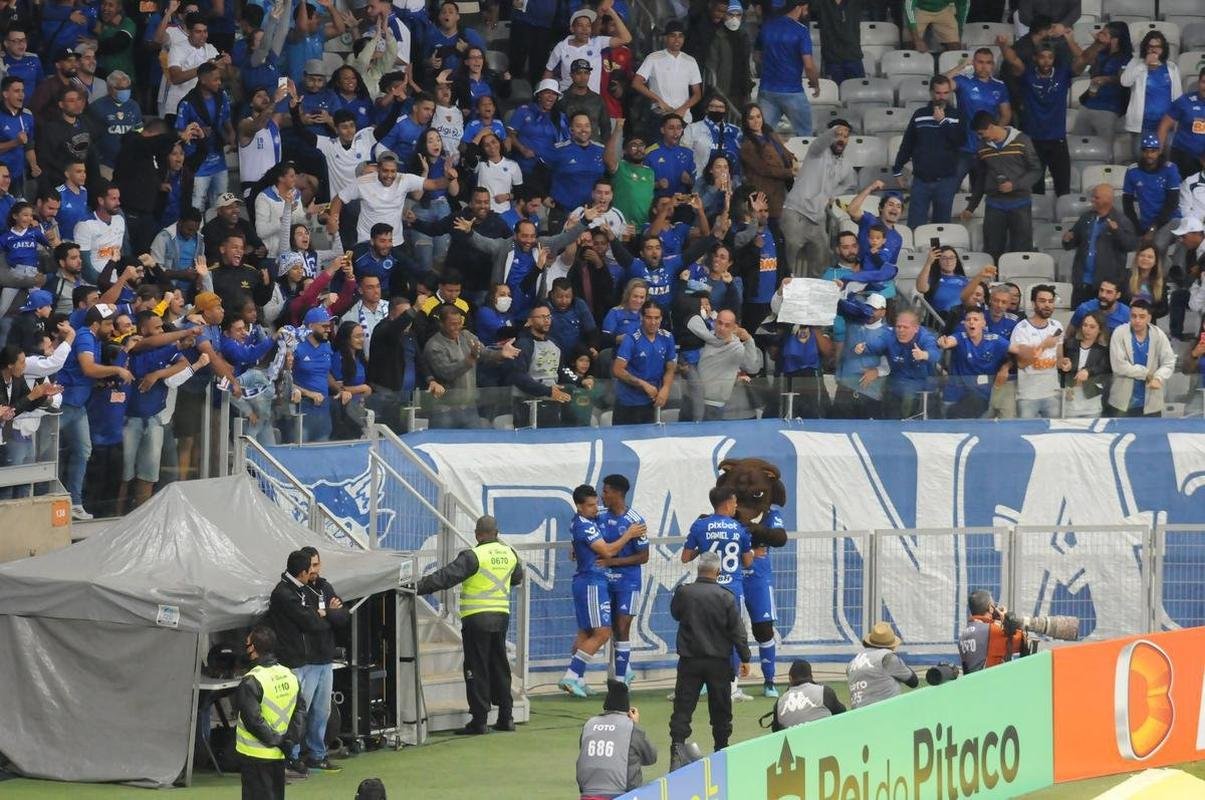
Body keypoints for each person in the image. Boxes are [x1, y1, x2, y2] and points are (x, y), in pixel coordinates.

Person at [415, 515, 523, 734]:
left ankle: (480, 720)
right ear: (497, 533)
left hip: (476, 618)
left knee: (476, 667)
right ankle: (506, 717)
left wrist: (416, 587)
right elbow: (517, 578)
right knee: (499, 666)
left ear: (477, 534)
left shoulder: (473, 555)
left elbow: (445, 577)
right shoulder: (510, 554)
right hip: (501, 616)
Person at [558, 484, 647, 698]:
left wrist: (577, 548)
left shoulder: (592, 520)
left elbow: (643, 556)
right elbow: (606, 550)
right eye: (590, 504)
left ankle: (580, 679)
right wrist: (627, 535)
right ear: (579, 506)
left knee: (590, 632)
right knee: (604, 632)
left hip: (605, 581)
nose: (596, 506)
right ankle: (572, 675)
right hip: (592, 582)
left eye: (598, 500)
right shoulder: (585, 523)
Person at [667, 550, 751, 771]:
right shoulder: (726, 596)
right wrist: (745, 657)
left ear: (698, 569)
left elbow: (676, 614)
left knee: (683, 709)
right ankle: (721, 752)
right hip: (719, 662)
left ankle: (676, 751)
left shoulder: (684, 593)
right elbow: (737, 631)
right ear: (718, 571)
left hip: (689, 661)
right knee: (721, 710)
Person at [236, 625, 306, 800]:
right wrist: (288, 741)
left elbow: (253, 721)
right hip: (279, 754)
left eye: (247, 643)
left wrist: (275, 740)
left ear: (253, 649)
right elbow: (300, 711)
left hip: (255, 755)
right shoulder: (289, 675)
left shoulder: (252, 680)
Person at [960, 112, 1041, 262]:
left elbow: (1036, 170)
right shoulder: (982, 148)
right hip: (994, 205)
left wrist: (1015, 185)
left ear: (991, 127)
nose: (979, 137)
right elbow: (980, 179)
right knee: (992, 249)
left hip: (1020, 204)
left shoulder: (1022, 140)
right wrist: (971, 207)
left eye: (981, 133)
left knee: (1021, 249)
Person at [780, 119, 856, 277]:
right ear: (829, 135)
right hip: (795, 212)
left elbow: (849, 183)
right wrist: (833, 132)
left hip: (818, 218)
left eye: (845, 136)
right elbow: (821, 142)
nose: (841, 138)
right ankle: (782, 289)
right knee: (788, 256)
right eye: (838, 134)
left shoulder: (846, 164)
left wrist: (831, 194)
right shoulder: (816, 151)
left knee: (823, 260)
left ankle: (817, 295)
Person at [295, 547, 346, 772]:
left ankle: (317, 754)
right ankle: (294, 756)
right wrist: (325, 615)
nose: (315, 570)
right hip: (305, 662)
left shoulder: (325, 587)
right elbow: (307, 622)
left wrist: (327, 614)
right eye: (311, 566)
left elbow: (343, 616)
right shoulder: (296, 591)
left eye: (317, 565)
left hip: (325, 661)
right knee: (300, 712)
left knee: (322, 711)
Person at [597, 474, 648, 687]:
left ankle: (620, 682)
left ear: (618, 493)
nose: (602, 495)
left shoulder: (635, 521)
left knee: (622, 626)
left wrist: (612, 562)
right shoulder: (597, 516)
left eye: (606, 491)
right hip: (603, 581)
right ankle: (622, 670)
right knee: (601, 628)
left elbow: (643, 557)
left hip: (628, 582)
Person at [893, 76, 963, 228]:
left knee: (942, 227)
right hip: (921, 180)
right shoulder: (919, 114)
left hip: (946, 180)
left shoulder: (957, 115)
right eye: (938, 93)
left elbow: (959, 142)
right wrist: (897, 171)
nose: (941, 97)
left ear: (950, 93)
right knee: (915, 226)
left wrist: (943, 122)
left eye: (945, 93)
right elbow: (907, 144)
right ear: (931, 93)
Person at [576, 679, 657, 799]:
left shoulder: (589, 724)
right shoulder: (631, 728)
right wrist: (635, 724)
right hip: (621, 795)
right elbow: (651, 758)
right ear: (627, 709)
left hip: (587, 794)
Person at [852, 310, 939, 419]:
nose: (900, 330)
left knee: (909, 399)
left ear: (916, 328)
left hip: (920, 382)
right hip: (896, 381)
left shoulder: (925, 337)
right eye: (898, 327)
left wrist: (924, 355)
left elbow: (936, 354)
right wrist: (861, 348)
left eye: (905, 327)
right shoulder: (890, 335)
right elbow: (875, 346)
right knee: (890, 410)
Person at [1062, 184, 1139, 308]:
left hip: (1105, 286)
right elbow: (1072, 240)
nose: (1092, 200)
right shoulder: (1086, 217)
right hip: (1082, 283)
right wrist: (1067, 239)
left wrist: (1117, 231)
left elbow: (1130, 245)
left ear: (1107, 199)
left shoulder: (1121, 220)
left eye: (1096, 197)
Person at [754, 0, 820, 136]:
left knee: (761, 136)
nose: (807, 12)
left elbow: (757, 57)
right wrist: (815, 83)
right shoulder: (801, 30)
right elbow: (808, 65)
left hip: (767, 91)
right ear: (799, 7)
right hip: (792, 91)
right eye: (806, 8)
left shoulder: (767, 26)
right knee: (805, 137)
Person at [936, 308, 1011, 418]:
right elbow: (950, 341)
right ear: (964, 324)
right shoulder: (960, 336)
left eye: (975, 319)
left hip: (979, 397)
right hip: (953, 395)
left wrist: (1006, 367)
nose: (971, 322)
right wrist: (944, 343)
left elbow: (1017, 351)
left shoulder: (995, 340)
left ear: (983, 323)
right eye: (968, 319)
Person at [1107, 298, 1176, 417]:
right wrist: (1146, 374)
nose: (1137, 320)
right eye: (1133, 316)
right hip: (1122, 404)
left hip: (1151, 404)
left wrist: (1158, 378)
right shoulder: (1119, 333)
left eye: (1142, 316)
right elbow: (1119, 366)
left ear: (1149, 318)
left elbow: (1169, 361)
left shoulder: (1158, 334)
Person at [611, 300, 676, 424]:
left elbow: (671, 365)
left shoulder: (667, 337)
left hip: (652, 400)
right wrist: (644, 385)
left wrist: (666, 388)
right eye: (649, 318)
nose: (653, 322)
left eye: (657, 318)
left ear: (661, 318)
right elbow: (617, 369)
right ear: (641, 317)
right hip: (628, 402)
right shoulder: (631, 338)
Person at [1009, 284, 1065, 419]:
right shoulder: (1021, 329)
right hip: (1028, 396)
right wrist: (1044, 346)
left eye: (1050, 301)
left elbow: (1059, 357)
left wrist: (1064, 363)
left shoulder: (1057, 326)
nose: (1047, 305)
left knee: (1051, 436)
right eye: (1042, 301)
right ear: (1033, 303)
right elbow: (1021, 364)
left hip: (1052, 393)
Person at [633, 21, 702, 124]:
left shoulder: (690, 61)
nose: (677, 40)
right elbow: (636, 83)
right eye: (673, 36)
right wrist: (658, 100)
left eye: (680, 36)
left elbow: (697, 94)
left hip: (684, 117)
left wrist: (682, 109)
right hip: (660, 114)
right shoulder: (654, 58)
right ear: (665, 38)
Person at [1122, 135, 1182, 253]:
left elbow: (1172, 203)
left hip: (1171, 220)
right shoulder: (1132, 171)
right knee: (1140, 249)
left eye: (1153, 151)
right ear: (1141, 151)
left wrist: (1154, 228)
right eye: (1146, 151)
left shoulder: (1170, 169)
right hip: (1146, 222)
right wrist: (1136, 227)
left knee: (1156, 247)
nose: (1149, 155)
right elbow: (1127, 203)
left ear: (1159, 151)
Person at [1120, 32, 1181, 145]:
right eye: (1150, 46)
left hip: (1165, 123)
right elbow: (1125, 82)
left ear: (1163, 49)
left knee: (1165, 159)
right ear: (1145, 47)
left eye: (1157, 47)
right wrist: (1144, 65)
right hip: (1141, 124)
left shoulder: (1171, 67)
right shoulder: (1135, 63)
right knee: (1141, 158)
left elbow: (1178, 96)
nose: (1154, 50)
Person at [1072, 24, 1132, 140]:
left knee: (1104, 147)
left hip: (1108, 108)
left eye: (1104, 34)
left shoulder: (1126, 58)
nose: (1100, 35)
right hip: (1087, 104)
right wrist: (1096, 44)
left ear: (1115, 39)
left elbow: (1123, 79)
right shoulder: (1100, 54)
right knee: (1078, 142)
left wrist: (1106, 79)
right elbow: (1083, 58)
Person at [846, 621, 917, 709]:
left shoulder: (852, 663)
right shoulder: (887, 658)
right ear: (891, 644)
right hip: (884, 713)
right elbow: (913, 681)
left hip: (857, 714)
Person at [958, 590, 1027, 674]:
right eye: (995, 605)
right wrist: (1005, 620)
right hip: (990, 682)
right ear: (991, 608)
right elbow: (1022, 642)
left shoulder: (963, 635)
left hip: (973, 683)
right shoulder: (992, 631)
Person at [1058, 311, 1111, 418]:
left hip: (1092, 403)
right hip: (1070, 402)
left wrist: (1088, 371)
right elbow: (1061, 371)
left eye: (1092, 327)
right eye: (1085, 325)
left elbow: (1105, 369)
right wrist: (1064, 387)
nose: (1087, 329)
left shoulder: (1104, 351)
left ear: (1099, 329)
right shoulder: (1070, 345)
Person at [769, 660, 846, 731]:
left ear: (790, 678)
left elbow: (776, 732)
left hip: (795, 744)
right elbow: (843, 714)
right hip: (823, 741)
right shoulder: (824, 692)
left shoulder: (779, 703)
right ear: (811, 676)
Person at [1158, 67, 1205, 180]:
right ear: (1199, 83)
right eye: (1204, 82)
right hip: (1183, 156)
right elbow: (1164, 125)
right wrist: (1158, 153)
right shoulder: (1185, 101)